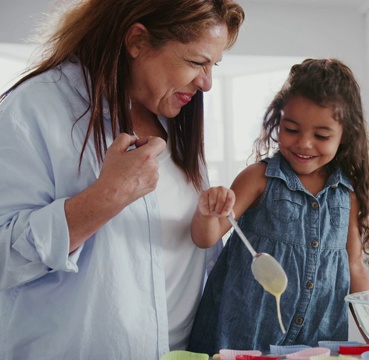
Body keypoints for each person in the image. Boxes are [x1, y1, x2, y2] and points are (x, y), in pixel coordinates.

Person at [0, 0, 244, 358]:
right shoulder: (32, 109)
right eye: (196, 62)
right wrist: (106, 197)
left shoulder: (173, 115)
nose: (206, 83)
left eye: (213, 66)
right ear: (137, 41)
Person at [187, 58, 369, 355]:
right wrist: (206, 212)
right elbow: (206, 237)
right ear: (277, 122)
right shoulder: (259, 178)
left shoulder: (346, 194)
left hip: (313, 342)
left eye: (322, 136)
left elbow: (354, 265)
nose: (304, 144)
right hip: (244, 339)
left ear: (345, 136)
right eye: (291, 129)